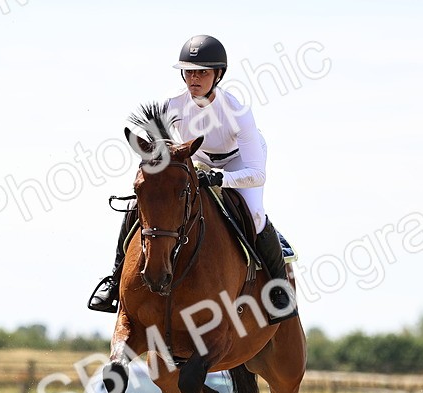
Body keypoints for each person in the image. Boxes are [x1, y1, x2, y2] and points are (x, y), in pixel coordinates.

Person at [87, 34, 297, 324]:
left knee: (256, 216)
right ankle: (113, 281)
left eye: (202, 72)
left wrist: (219, 178)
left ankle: (278, 289)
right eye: (189, 72)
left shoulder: (238, 112)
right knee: (142, 206)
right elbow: (158, 155)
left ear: (218, 75)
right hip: (193, 159)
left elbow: (257, 174)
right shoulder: (171, 105)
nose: (194, 78)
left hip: (237, 163)